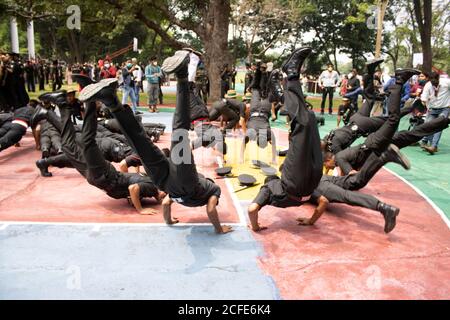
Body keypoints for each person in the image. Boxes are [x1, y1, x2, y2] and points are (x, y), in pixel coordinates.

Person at [77, 50, 232, 234]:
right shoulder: (215, 191)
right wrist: (218, 228)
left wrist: (169, 221)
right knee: (146, 142)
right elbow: (208, 208)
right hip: (173, 184)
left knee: (155, 140)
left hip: (172, 183)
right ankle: (114, 102)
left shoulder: (207, 189)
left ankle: (112, 100)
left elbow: (170, 203)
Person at [33, 89, 164, 215]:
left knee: (68, 146)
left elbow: (129, 179)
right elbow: (133, 188)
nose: (165, 197)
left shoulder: (148, 180)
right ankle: (91, 100)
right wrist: (140, 210)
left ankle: (57, 105)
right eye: (167, 194)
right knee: (87, 141)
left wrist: (134, 195)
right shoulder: (152, 187)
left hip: (100, 177)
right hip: (104, 176)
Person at [247, 47, 323, 232]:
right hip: (307, 182)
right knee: (309, 117)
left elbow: (252, 208)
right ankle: (281, 92)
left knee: (303, 124)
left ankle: (291, 73)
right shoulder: (271, 186)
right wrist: (310, 221)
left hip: (301, 182)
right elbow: (324, 200)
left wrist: (256, 227)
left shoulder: (270, 189)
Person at [420, 72, 450, 154]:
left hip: (445, 108)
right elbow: (424, 98)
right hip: (432, 109)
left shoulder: (446, 82)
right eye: (431, 80)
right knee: (429, 126)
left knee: (439, 126)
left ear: (438, 78)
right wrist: (425, 102)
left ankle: (434, 146)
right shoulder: (428, 85)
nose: (433, 81)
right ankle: (428, 142)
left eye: (435, 79)